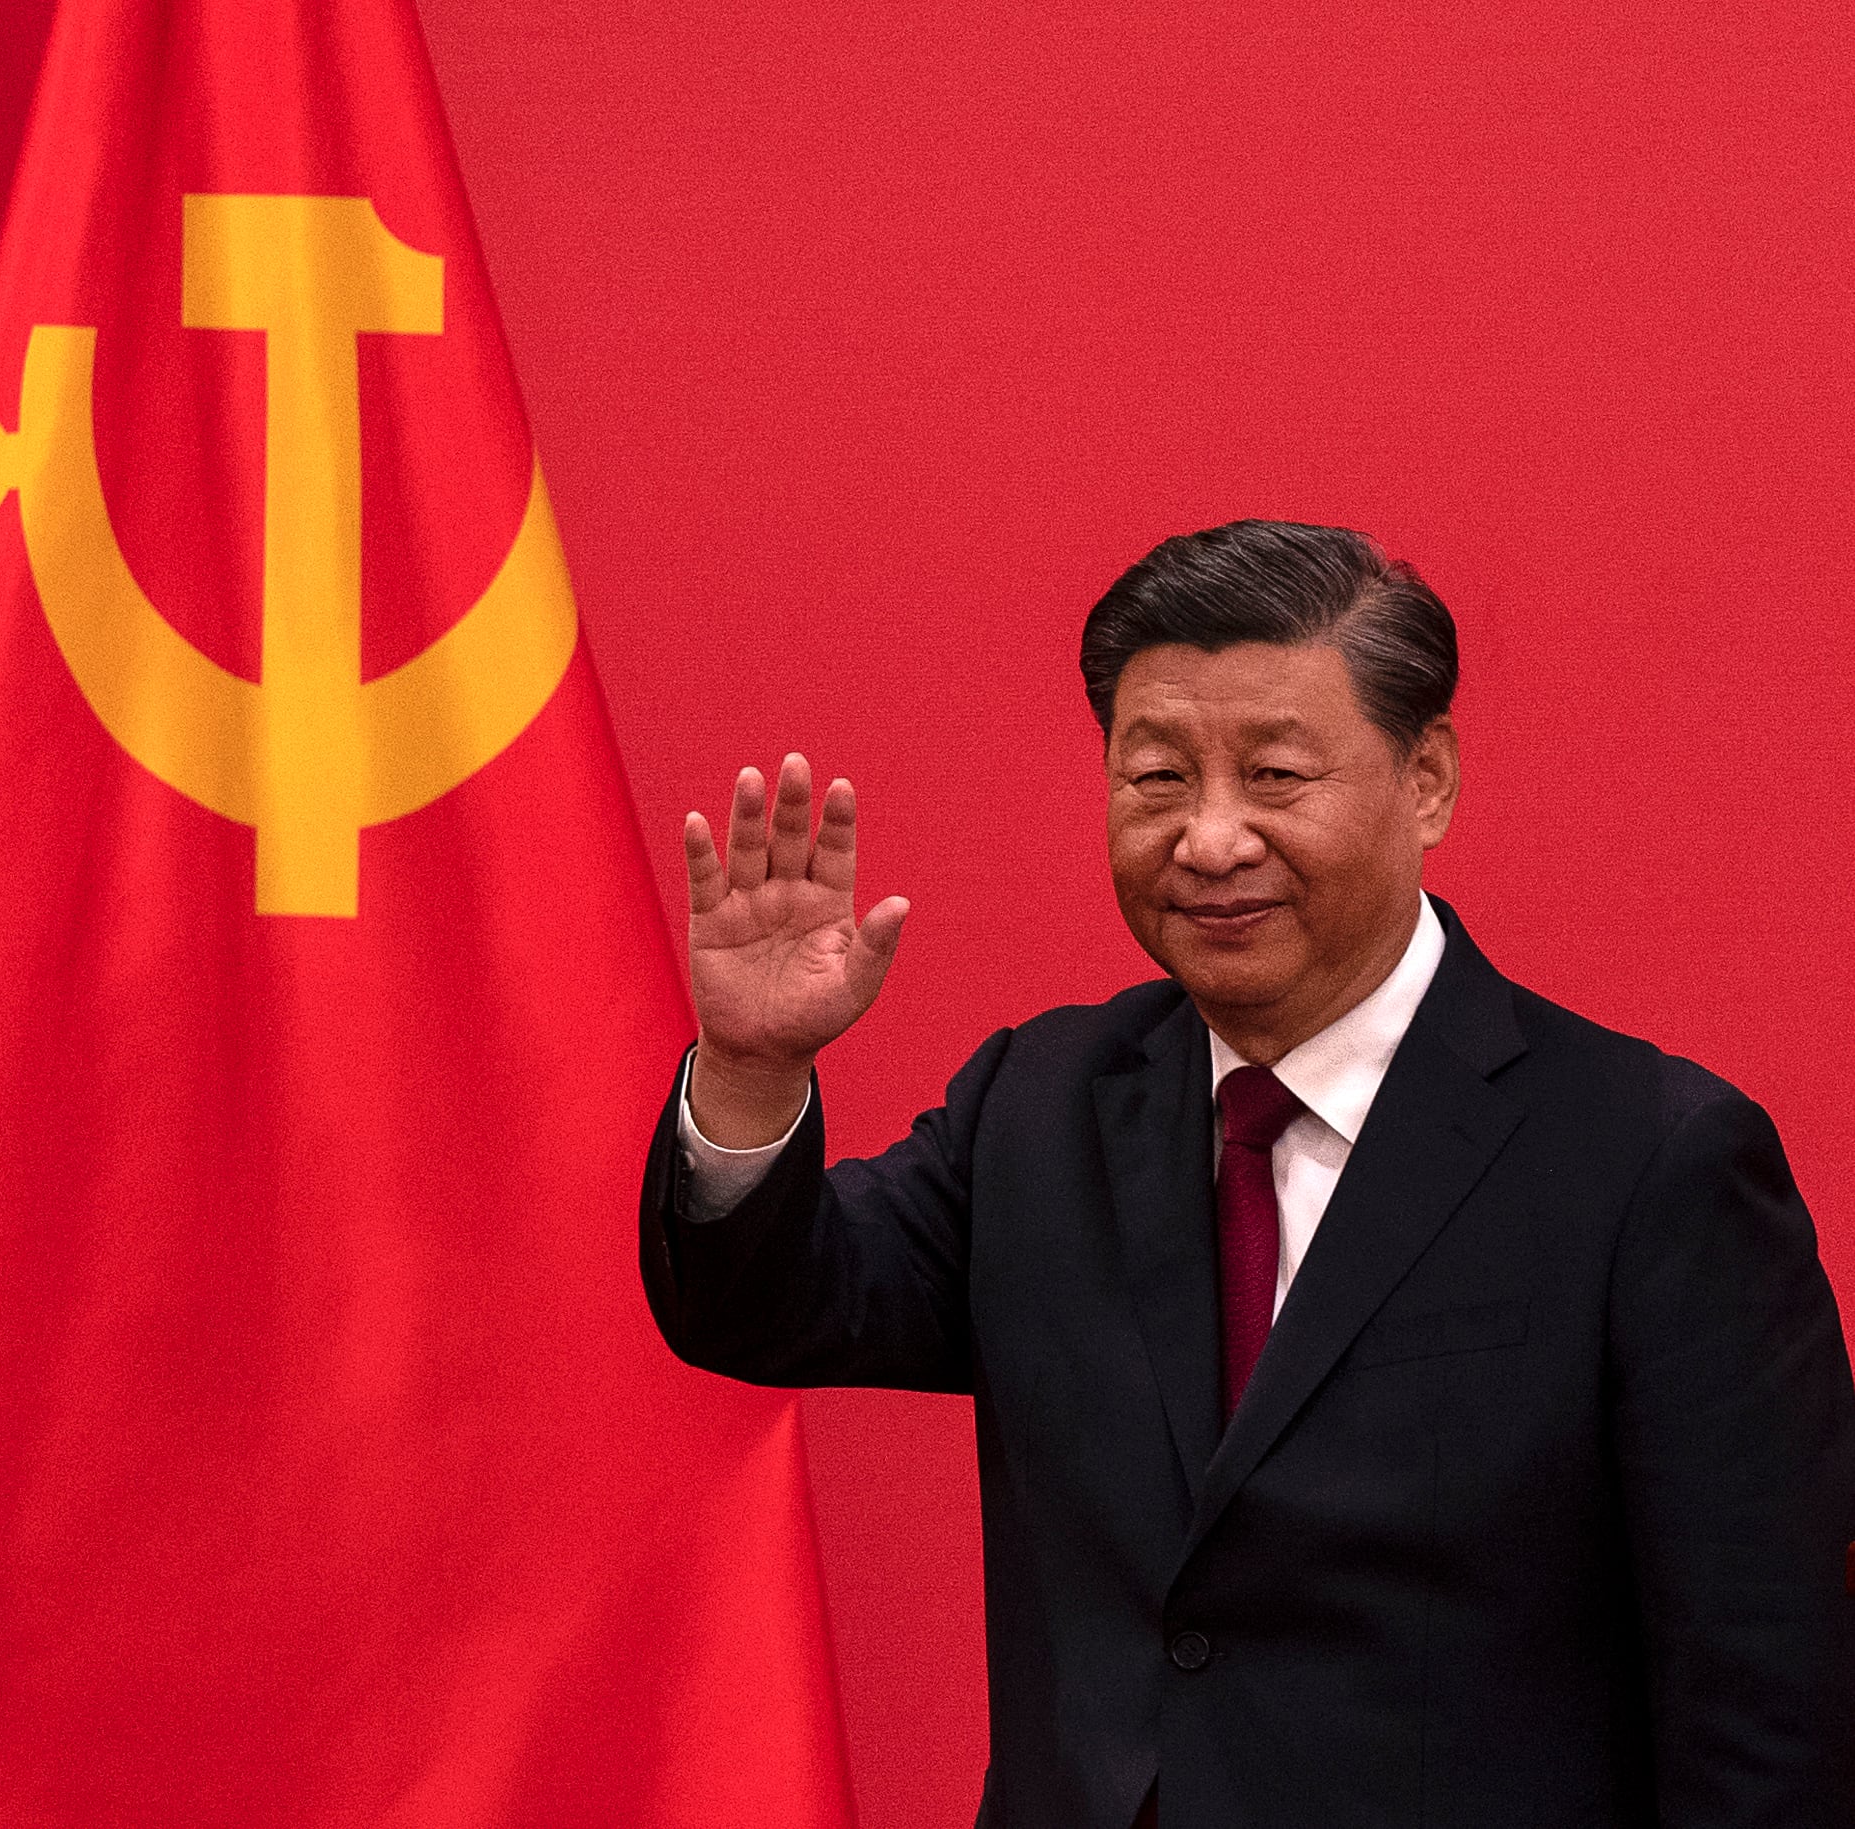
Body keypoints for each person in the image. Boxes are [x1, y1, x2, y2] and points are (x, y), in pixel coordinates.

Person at [637, 520, 1855, 1828]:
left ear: (1426, 778)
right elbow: (763, 1301)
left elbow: (1768, 1698)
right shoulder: (1038, 1105)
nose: (1210, 840)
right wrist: (753, 1071)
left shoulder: (1646, 1157)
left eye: (1273, 773)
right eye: (1156, 777)